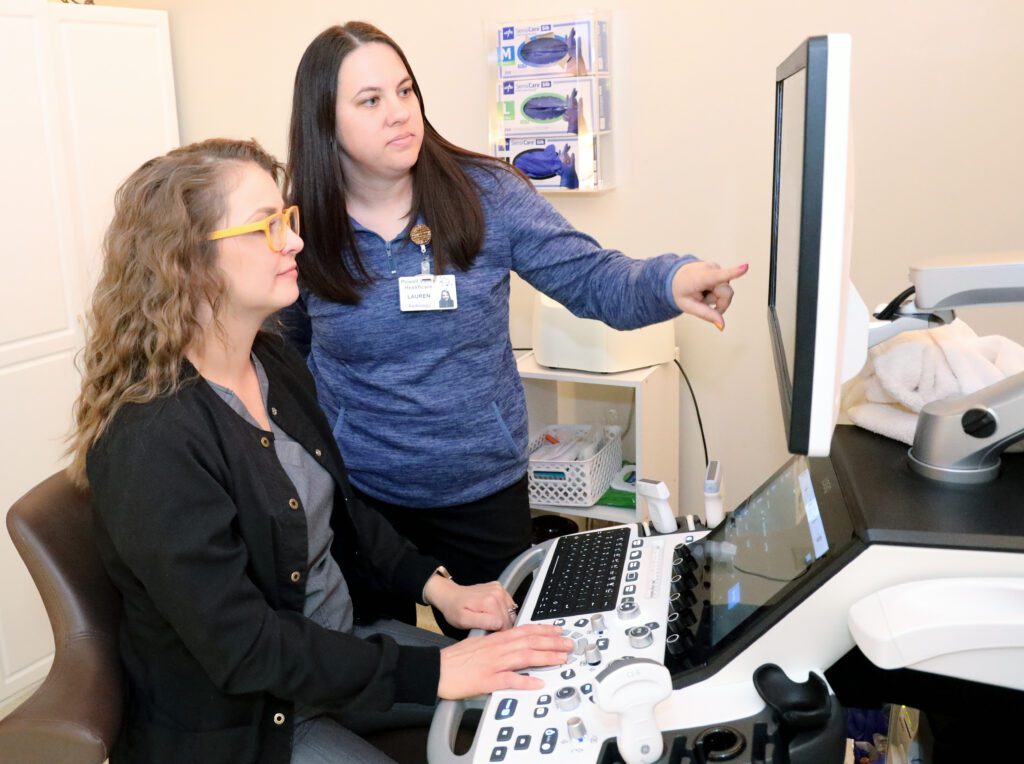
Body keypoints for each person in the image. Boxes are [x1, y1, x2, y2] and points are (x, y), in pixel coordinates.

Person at [67, 138, 571, 764]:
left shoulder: (272, 358)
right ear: (186, 262)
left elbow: (344, 513)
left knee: (553, 684)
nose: (294, 242)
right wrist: (435, 674)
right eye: (265, 228)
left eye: (288, 220)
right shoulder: (150, 440)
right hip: (257, 715)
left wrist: (438, 588)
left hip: (340, 652)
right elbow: (245, 648)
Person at [281, 22, 748, 637]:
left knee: (505, 665)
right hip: (364, 496)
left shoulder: (486, 195)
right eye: (370, 101)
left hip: (481, 490)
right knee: (376, 668)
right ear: (324, 122)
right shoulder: (300, 226)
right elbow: (284, 353)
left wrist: (670, 279)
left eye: (405, 91)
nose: (399, 113)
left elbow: (591, 276)